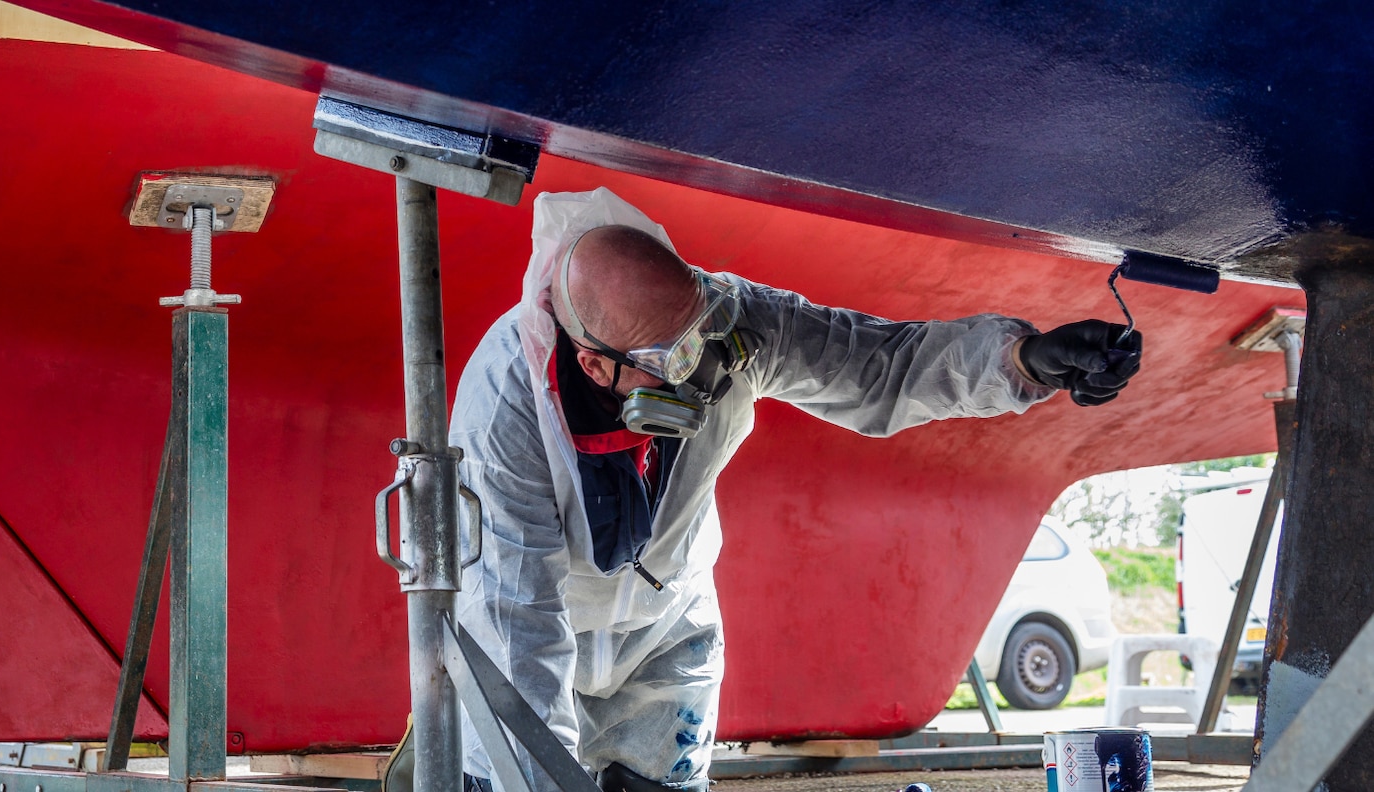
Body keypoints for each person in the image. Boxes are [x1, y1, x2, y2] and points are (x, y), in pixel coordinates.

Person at [448, 188, 1140, 792]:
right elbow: (518, 625)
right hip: (548, 628)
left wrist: (1022, 362)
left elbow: (879, 365)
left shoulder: (729, 325)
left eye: (700, 335)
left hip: (665, 631)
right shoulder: (506, 410)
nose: (700, 373)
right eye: (670, 361)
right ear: (595, 364)